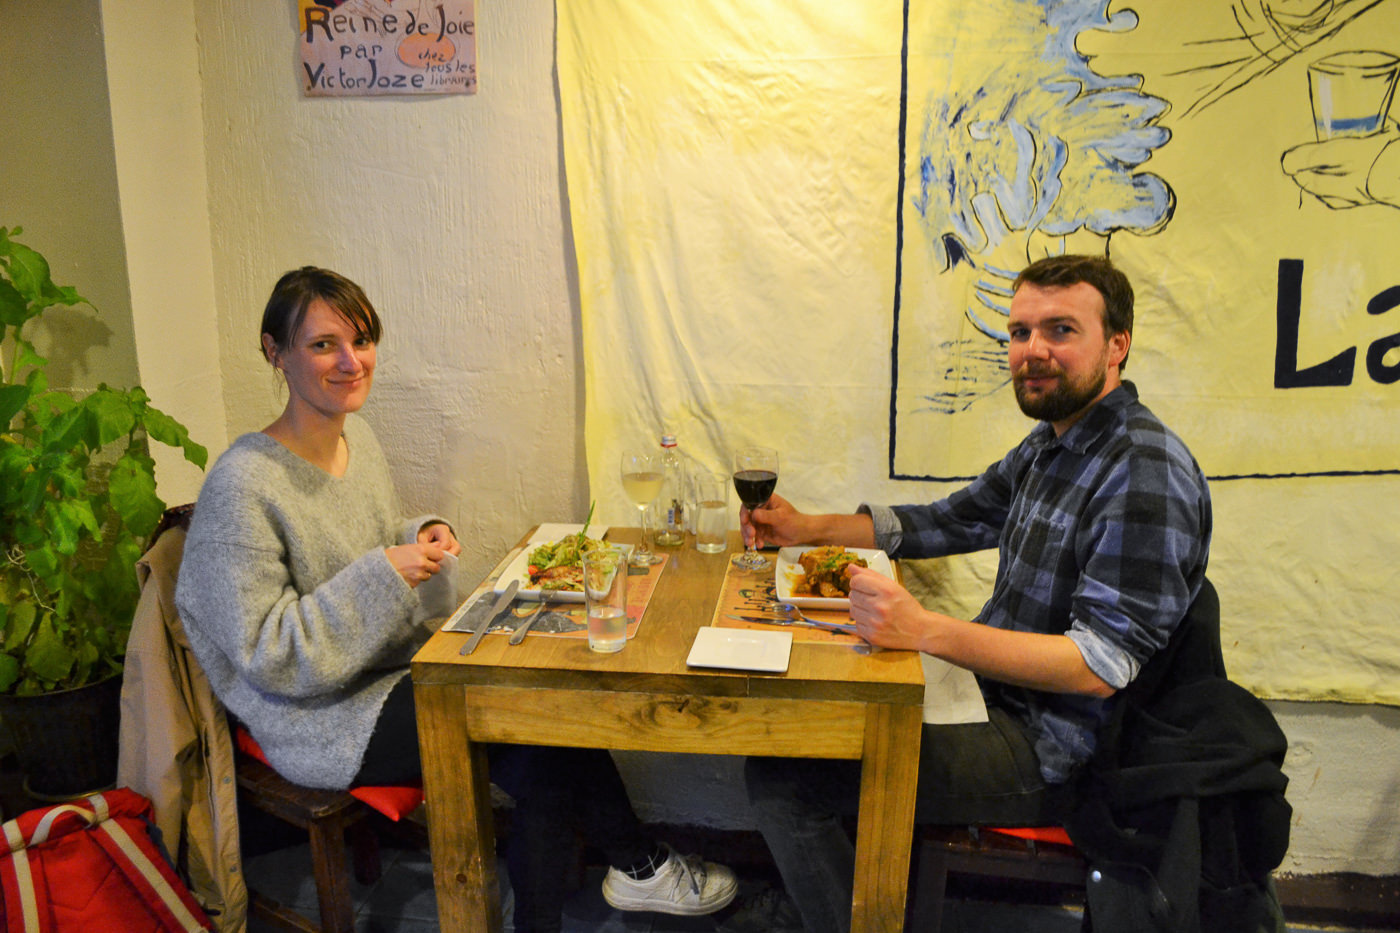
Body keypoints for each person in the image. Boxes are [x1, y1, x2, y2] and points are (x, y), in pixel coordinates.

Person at [175, 266, 736, 932]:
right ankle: (638, 865)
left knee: (545, 720)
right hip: (318, 714)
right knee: (535, 726)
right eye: (324, 344)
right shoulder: (242, 485)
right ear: (275, 352)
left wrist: (415, 538)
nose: (351, 361)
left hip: (391, 669)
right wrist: (385, 571)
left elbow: (357, 545)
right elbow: (267, 654)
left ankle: (631, 870)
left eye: (362, 339)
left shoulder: (358, 439)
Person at [740, 254, 1213, 933]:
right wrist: (805, 527)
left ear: (1118, 345)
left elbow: (1097, 667)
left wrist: (924, 628)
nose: (1033, 350)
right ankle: (840, 902)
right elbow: (953, 518)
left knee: (783, 780)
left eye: (1060, 330)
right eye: (1020, 332)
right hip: (988, 695)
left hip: (1056, 750)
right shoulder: (1055, 443)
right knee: (815, 714)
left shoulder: (1143, 466)